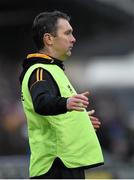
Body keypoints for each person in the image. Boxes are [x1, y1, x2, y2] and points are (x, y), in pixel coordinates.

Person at [19, 10, 104, 179]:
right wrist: (66, 103)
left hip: (65, 163)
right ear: (49, 39)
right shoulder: (40, 70)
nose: (73, 39)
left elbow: (55, 114)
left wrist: (80, 121)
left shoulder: (52, 69)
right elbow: (42, 103)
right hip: (56, 165)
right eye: (67, 33)